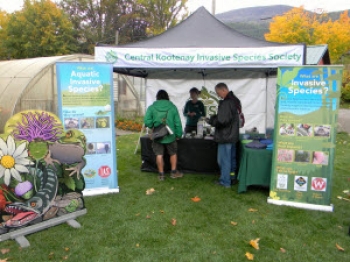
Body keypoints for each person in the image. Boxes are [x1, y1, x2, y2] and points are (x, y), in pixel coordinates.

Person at [144, 90, 184, 181]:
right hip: (170, 135)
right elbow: (177, 123)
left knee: (159, 154)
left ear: (157, 97)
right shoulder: (172, 107)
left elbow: (147, 121)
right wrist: (178, 134)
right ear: (167, 97)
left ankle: (161, 175)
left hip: (157, 135)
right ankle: (173, 173)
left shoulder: (152, 107)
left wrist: (152, 126)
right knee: (173, 153)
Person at [206, 83, 240, 188]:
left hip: (225, 136)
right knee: (231, 159)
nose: (218, 95)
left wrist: (211, 120)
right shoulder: (235, 100)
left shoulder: (226, 102)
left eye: (218, 93)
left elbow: (222, 120)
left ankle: (225, 182)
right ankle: (231, 178)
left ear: (224, 90)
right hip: (232, 135)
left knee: (223, 160)